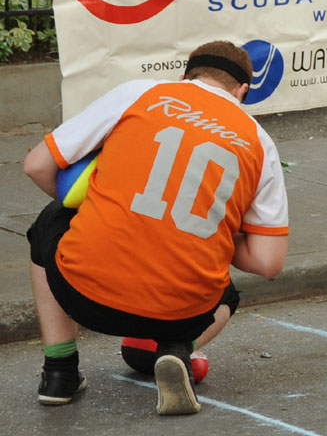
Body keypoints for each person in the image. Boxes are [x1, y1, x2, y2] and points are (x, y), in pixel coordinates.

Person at [24, 40, 289, 416]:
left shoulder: (142, 92)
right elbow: (269, 262)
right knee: (224, 292)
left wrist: (93, 207)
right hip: (181, 312)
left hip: (82, 293)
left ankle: (60, 371)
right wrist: (207, 232)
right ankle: (176, 350)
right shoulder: (261, 142)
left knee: (48, 221)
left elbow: (37, 165)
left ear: (185, 76)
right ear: (242, 91)